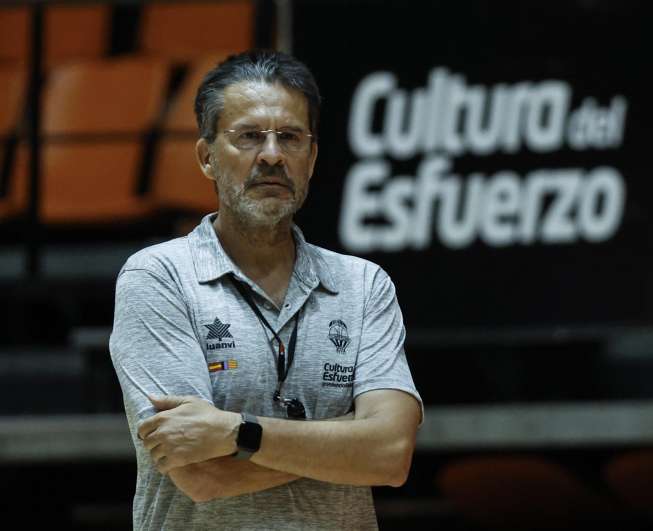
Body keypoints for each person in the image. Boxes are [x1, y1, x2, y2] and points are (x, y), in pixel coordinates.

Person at [109, 49, 423, 530]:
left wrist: (237, 432)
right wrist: (346, 445)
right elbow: (200, 473)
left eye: (291, 138)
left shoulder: (363, 285)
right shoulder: (158, 277)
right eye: (249, 136)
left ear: (312, 158)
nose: (272, 154)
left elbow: (391, 455)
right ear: (206, 157)